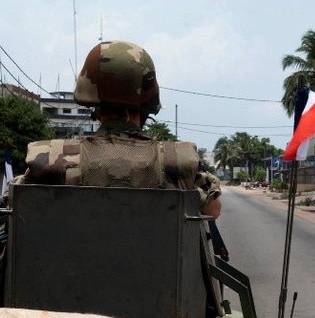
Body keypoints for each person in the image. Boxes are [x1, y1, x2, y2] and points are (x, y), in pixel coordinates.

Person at [17, 40, 221, 219]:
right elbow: (212, 211)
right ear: (146, 103)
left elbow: (17, 203)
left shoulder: (50, 158)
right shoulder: (177, 160)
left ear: (94, 104)